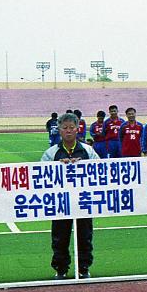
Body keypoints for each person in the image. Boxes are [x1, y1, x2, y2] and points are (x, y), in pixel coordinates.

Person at [41, 113, 97, 277]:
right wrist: (57, 167)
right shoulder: (51, 153)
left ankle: (83, 268)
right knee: (59, 237)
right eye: (64, 128)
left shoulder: (88, 151)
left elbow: (101, 173)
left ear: (78, 129)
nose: (68, 131)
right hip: (60, 202)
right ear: (58, 130)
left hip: (83, 201)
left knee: (85, 236)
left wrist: (83, 166)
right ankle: (61, 269)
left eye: (72, 127)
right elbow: (40, 175)